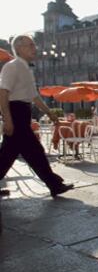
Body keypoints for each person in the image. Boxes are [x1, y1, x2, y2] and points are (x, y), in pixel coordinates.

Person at [0, 34, 74, 197]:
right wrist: (8, 119)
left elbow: (35, 97)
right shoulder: (12, 66)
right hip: (16, 112)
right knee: (33, 152)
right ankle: (54, 185)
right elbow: (3, 93)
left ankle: (54, 184)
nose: (35, 48)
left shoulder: (26, 68)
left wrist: (50, 113)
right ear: (19, 48)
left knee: (11, 154)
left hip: (22, 112)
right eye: (31, 45)